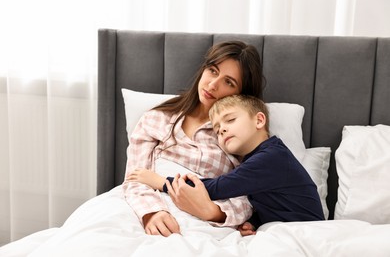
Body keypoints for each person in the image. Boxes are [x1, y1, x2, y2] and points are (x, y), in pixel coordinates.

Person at [122, 41, 265, 237]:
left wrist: (211, 212)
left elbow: (249, 199)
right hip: (146, 210)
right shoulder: (155, 119)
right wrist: (152, 212)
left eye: (229, 82)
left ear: (241, 95)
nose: (213, 85)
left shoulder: (239, 135)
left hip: (207, 224)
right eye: (213, 71)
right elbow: (134, 178)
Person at [129, 95, 325, 236]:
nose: (222, 129)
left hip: (309, 232)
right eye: (217, 130)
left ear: (259, 120)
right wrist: (253, 223)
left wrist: (160, 181)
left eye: (230, 120)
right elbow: (275, 203)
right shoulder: (255, 160)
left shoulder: (271, 158)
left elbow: (217, 188)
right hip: (288, 228)